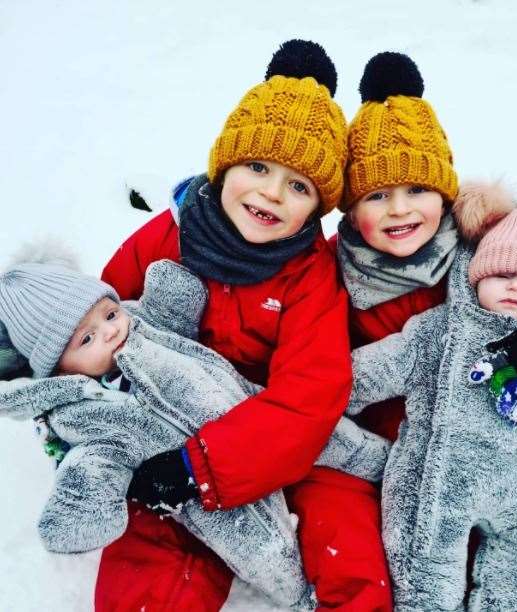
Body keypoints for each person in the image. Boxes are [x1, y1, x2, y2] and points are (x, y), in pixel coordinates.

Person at [95, 40, 392, 611]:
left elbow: (309, 397)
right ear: (226, 163)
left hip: (277, 442)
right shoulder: (171, 237)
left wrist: (206, 462)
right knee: (156, 539)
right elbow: (106, 310)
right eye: (258, 167)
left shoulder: (310, 276)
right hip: (173, 423)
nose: (272, 193)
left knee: (346, 532)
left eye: (299, 185)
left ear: (317, 207)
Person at [330, 51, 517, 610]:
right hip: (407, 465)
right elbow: (346, 377)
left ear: (447, 196)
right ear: (347, 205)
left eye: (417, 190)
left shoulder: (480, 245)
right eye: (376, 196)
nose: (400, 210)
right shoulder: (326, 269)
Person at [0, 256, 389, 609]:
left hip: (259, 421)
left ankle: (384, 463)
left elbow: (171, 309)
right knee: (246, 557)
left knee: (343, 461)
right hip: (194, 497)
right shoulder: (86, 414)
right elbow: (95, 465)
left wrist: (171, 294)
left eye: (109, 314)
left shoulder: (145, 330)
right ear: (60, 369)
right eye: (86, 339)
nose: (109, 333)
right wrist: (84, 508)